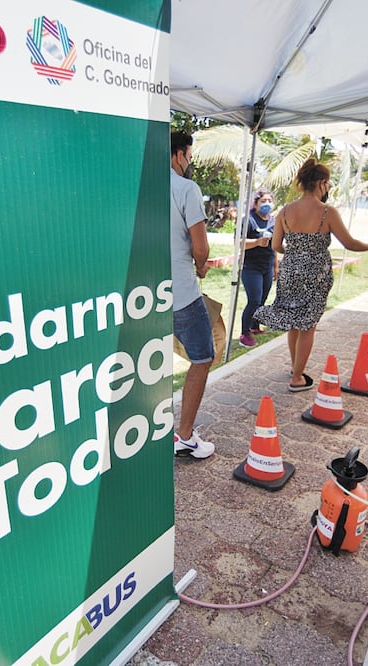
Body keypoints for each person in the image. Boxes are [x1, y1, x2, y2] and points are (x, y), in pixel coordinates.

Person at [255, 158, 368, 391]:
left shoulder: (284, 211)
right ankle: (297, 378)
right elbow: (350, 243)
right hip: (315, 274)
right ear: (322, 183)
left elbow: (276, 246)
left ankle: (296, 368)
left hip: (290, 271)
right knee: (308, 325)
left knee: (295, 321)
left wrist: (296, 254)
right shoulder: (327, 212)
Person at [169, 131, 215, 458]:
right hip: (182, 292)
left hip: (143, 294)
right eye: (188, 156)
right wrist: (201, 266)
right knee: (202, 357)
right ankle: (184, 435)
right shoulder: (186, 188)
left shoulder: (134, 188)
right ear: (178, 154)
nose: (188, 163)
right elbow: (201, 247)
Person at [239, 189, 278, 347]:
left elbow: (274, 245)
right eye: (263, 201)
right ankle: (244, 333)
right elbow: (239, 243)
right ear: (255, 204)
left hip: (266, 267)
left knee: (262, 299)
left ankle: (255, 326)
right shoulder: (248, 220)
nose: (267, 204)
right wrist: (256, 242)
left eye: (269, 200)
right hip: (250, 267)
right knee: (254, 300)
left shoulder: (273, 221)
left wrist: (276, 266)